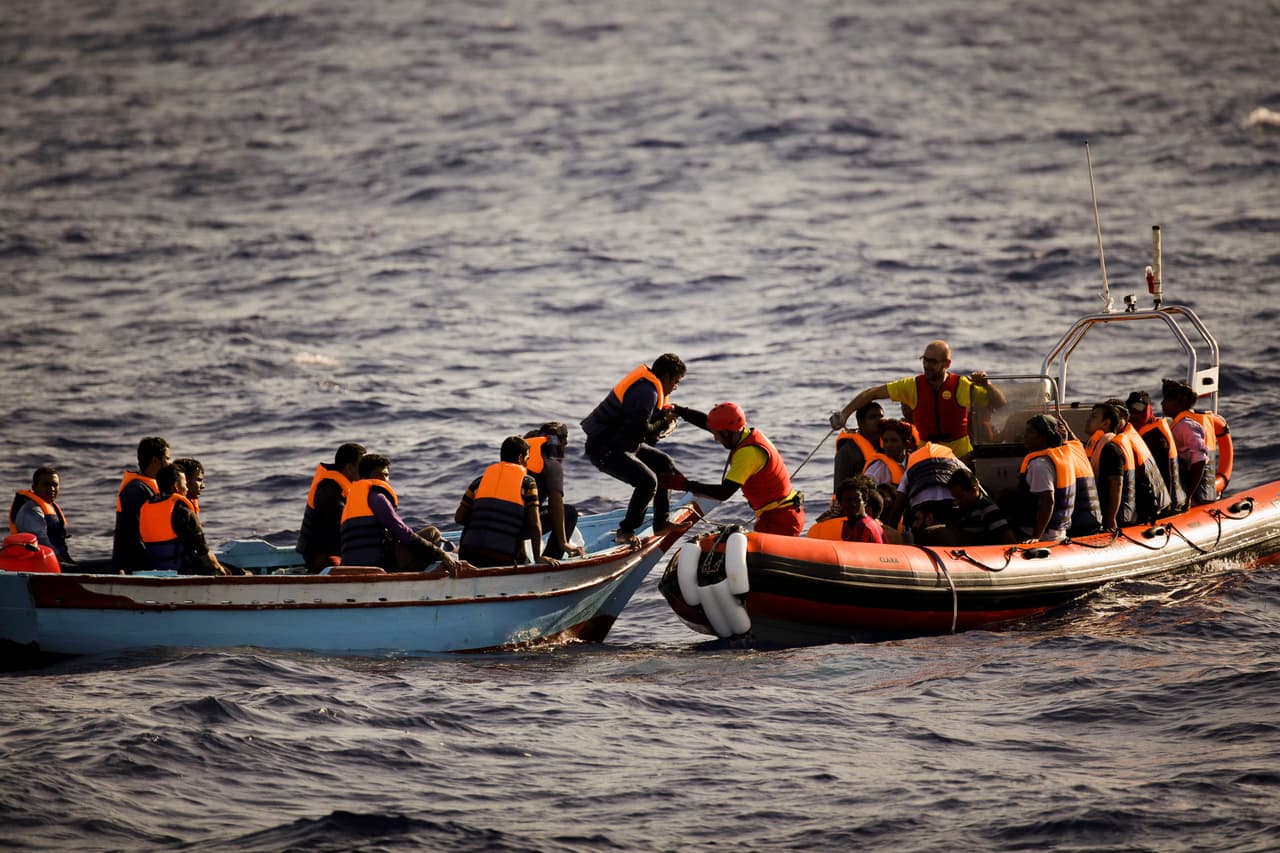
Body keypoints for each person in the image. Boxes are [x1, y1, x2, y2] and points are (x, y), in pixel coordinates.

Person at [829, 339, 1006, 459]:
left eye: (933, 362)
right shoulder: (912, 386)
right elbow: (873, 393)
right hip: (926, 454)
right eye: (925, 360)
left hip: (960, 455)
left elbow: (1000, 403)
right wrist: (844, 414)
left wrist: (987, 384)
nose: (927, 366)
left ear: (946, 364)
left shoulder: (961, 385)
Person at [581, 353, 687, 548]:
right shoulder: (646, 393)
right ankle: (626, 531)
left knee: (665, 464)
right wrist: (664, 421)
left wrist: (662, 423)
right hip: (604, 449)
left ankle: (661, 523)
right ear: (666, 377)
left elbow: (643, 435)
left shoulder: (650, 390)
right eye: (676, 381)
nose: (676, 387)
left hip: (624, 444)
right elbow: (642, 430)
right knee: (647, 482)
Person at [675, 402, 805, 536]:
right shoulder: (746, 435)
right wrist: (680, 411)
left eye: (717, 434)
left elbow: (724, 493)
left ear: (726, 433)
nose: (715, 438)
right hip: (783, 512)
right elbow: (710, 424)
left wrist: (684, 485)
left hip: (780, 519)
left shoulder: (748, 454)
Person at [341, 453, 458, 573]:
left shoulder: (350, 503)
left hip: (349, 565)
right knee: (432, 533)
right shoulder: (377, 498)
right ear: (366, 476)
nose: (384, 479)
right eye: (379, 475)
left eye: (386, 475)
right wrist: (440, 554)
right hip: (379, 564)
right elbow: (402, 532)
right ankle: (448, 561)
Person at [456, 435, 556, 567]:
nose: (526, 465)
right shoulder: (528, 483)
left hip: (468, 555)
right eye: (527, 459)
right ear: (520, 458)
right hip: (502, 558)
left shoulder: (478, 482)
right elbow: (534, 524)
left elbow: (459, 518)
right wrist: (538, 557)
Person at [1016, 415, 1101, 543]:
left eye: (1030, 431)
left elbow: (1048, 501)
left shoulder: (1040, 465)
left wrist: (1036, 537)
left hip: (1042, 534)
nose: (1025, 435)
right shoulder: (1060, 459)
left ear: (1043, 436)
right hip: (1058, 531)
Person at [139, 464, 228, 575]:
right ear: (176, 486)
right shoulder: (182, 511)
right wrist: (219, 569)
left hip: (155, 568)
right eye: (185, 484)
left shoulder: (145, 508)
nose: (187, 489)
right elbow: (203, 552)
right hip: (182, 570)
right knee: (235, 571)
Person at [297, 442, 366, 572]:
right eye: (362, 467)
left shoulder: (342, 487)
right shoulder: (331, 492)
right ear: (349, 468)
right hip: (323, 556)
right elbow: (343, 525)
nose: (365, 472)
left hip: (333, 550)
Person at [523, 422, 585, 560]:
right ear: (562, 442)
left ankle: (520, 555)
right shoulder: (550, 464)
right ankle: (552, 558)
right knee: (569, 513)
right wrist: (563, 543)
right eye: (564, 441)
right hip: (521, 525)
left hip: (500, 523)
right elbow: (556, 504)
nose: (566, 445)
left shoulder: (521, 459)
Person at [888, 439, 968, 541]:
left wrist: (888, 538)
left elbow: (897, 509)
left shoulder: (909, 471)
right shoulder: (957, 463)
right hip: (951, 510)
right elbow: (979, 492)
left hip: (926, 513)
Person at [112, 436, 170, 572]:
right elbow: (133, 534)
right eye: (167, 458)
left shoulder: (149, 486)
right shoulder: (135, 490)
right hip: (134, 564)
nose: (170, 463)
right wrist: (150, 563)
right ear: (155, 461)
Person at [817, 402, 884, 520]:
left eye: (881, 416)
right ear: (861, 423)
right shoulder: (847, 452)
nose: (879, 421)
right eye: (873, 417)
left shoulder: (889, 445)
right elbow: (840, 488)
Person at [1110, 399, 1173, 523]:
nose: (1135, 415)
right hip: (1155, 503)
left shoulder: (1152, 437)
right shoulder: (1133, 435)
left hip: (1148, 510)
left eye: (1138, 411)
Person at [1161, 379, 1218, 506]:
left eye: (1168, 399)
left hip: (1197, 496)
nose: (1162, 403)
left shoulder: (1186, 426)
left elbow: (1199, 461)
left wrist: (1188, 496)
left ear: (1182, 402)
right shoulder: (1180, 423)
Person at [1127, 390, 1185, 511]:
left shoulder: (1155, 436)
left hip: (1166, 503)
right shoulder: (1139, 432)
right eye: (1130, 411)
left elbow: (1162, 473)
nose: (1133, 415)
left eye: (1138, 410)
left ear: (1147, 410)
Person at [1084, 402, 1136, 531]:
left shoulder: (1111, 448)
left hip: (1114, 518)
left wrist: (1111, 518)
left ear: (1106, 423)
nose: (1088, 420)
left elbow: (1116, 484)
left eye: (1093, 417)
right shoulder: (1098, 444)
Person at [10, 465, 74, 568]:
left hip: (56, 562)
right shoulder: (31, 510)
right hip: (41, 564)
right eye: (46, 484)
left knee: (102, 566)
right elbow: (41, 542)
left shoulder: (49, 507)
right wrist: (66, 564)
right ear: (34, 487)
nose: (52, 489)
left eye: (55, 485)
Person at [947, 468, 1015, 545]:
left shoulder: (988, 509)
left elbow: (1009, 541)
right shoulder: (962, 509)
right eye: (955, 498)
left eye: (960, 497)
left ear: (973, 491)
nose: (957, 502)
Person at [806, 476, 884, 543]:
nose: (853, 504)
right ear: (841, 504)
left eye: (857, 500)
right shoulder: (853, 525)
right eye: (848, 500)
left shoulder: (864, 526)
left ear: (865, 502)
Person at [864, 418, 913, 488]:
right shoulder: (874, 472)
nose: (888, 445)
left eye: (893, 440)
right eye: (885, 441)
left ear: (906, 444)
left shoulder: (916, 465)